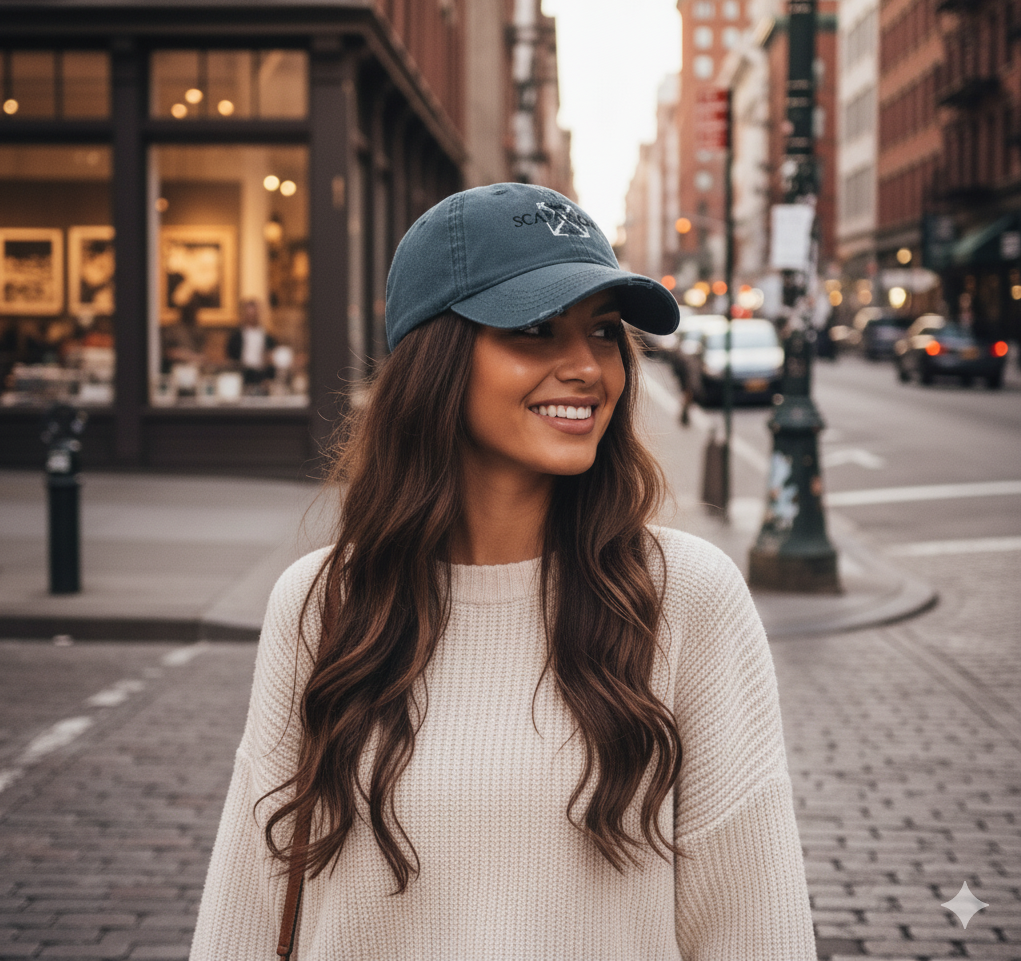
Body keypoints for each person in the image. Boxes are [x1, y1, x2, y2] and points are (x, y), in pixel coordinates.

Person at [190, 183, 817, 960]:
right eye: (534, 330)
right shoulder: (324, 603)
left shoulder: (685, 596)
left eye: (602, 333)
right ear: (436, 359)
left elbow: (753, 924)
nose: (587, 367)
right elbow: (248, 902)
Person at [226, 299, 277, 389]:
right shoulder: (235, 337)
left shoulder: (267, 337)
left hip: (262, 376)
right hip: (243, 374)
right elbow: (230, 359)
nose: (251, 317)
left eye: (254, 314)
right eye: (249, 314)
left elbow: (272, 358)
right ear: (244, 315)